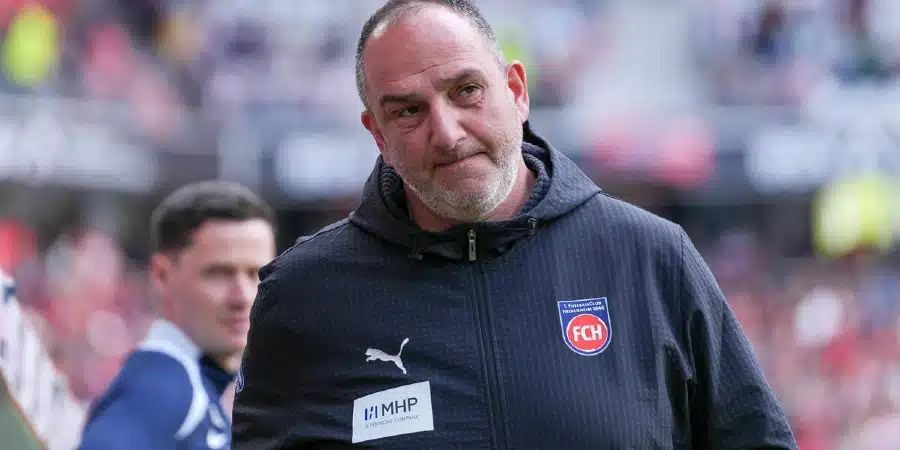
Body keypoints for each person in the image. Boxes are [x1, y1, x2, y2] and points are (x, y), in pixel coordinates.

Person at [232, 1, 799, 448]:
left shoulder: (652, 258)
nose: (448, 132)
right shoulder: (303, 296)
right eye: (408, 110)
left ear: (517, 91)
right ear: (376, 134)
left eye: (467, 91)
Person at [79, 181, 277, 450]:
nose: (242, 297)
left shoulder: (193, 386)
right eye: (219, 273)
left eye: (257, 274)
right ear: (163, 275)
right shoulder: (164, 385)